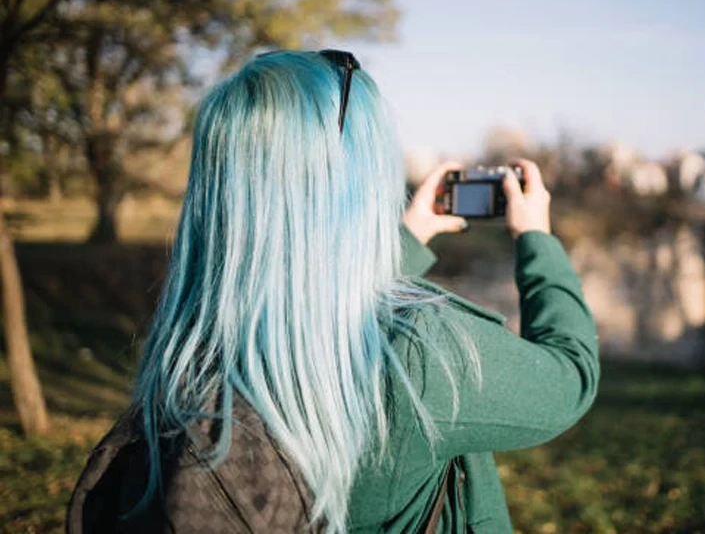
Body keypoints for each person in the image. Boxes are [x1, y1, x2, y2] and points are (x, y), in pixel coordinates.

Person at [67, 50, 599, 533]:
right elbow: (569, 375)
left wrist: (410, 236)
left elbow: (311, 289)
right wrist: (537, 240)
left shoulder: (196, 350)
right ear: (363, 181)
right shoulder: (419, 354)